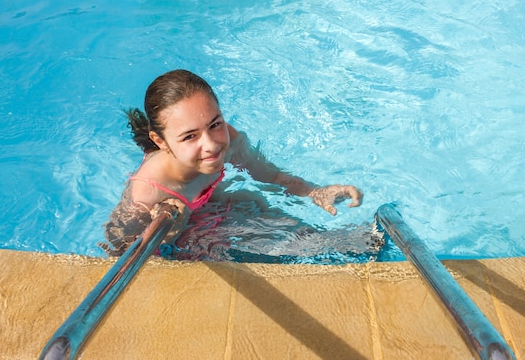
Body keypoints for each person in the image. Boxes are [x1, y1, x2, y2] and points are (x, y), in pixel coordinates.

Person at [101, 69, 364, 257]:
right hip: (183, 235)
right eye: (190, 136)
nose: (212, 144)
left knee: (254, 202)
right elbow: (120, 252)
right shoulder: (146, 193)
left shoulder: (230, 138)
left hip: (212, 206)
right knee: (218, 241)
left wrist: (316, 191)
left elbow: (272, 177)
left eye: (214, 124)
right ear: (160, 140)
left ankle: (336, 246)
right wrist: (172, 229)